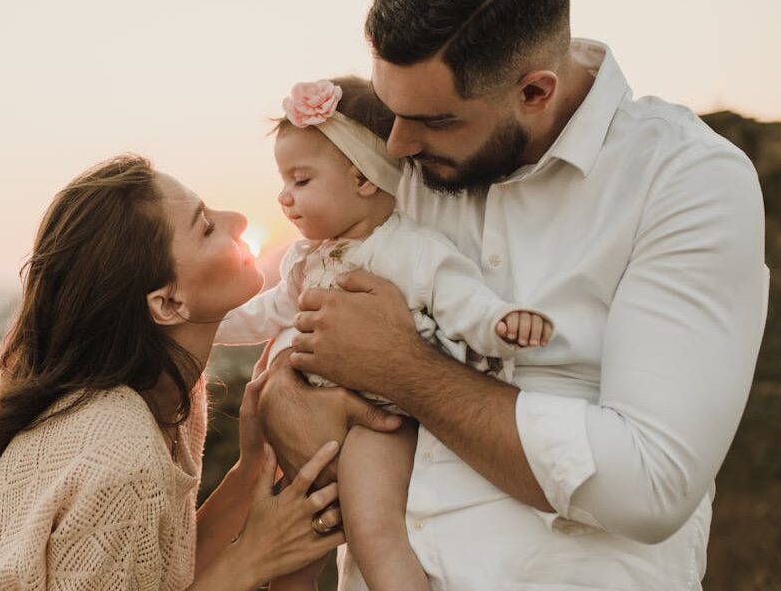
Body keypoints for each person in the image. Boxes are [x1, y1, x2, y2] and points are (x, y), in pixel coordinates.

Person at [257, 0, 769, 589]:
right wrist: (282, 384)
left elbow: (648, 483)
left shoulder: (684, 180)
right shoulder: (405, 161)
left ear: (534, 92)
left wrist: (404, 371)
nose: (396, 147)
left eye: (433, 122)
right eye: (393, 113)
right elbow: (319, 287)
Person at [0, 155, 389, 590]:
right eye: (207, 227)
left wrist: (249, 471)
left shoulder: (155, 401)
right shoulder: (121, 452)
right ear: (168, 303)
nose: (240, 220)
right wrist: (252, 556)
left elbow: (151, 567)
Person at [214, 75, 552, 590]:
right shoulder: (306, 260)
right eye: (284, 182)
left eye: (301, 180)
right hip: (314, 420)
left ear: (364, 179)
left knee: (374, 533)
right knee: (294, 548)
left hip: (379, 425)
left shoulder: (408, 249)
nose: (284, 198)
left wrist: (498, 323)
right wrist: (210, 322)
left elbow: (458, 297)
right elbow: (268, 312)